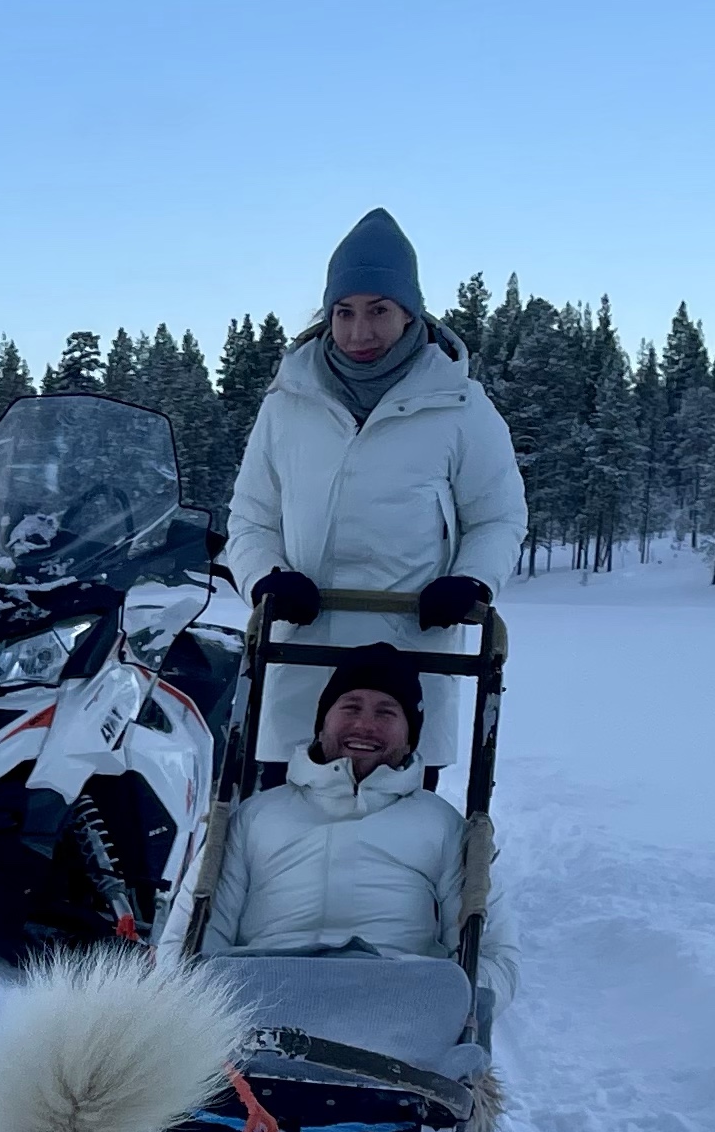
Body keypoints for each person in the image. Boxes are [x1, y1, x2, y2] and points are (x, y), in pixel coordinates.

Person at [226, 209, 525, 753]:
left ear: (410, 313)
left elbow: (497, 516)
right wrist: (265, 578)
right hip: (300, 649)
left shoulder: (460, 406)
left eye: (379, 310)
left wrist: (471, 583)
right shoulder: (287, 405)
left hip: (412, 650)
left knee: (403, 826)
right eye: (344, 312)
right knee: (280, 823)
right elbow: (251, 517)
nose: (359, 331)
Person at [202, 641, 513, 1006]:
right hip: (261, 1001)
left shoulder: (444, 826)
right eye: (350, 707)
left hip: (397, 1007)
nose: (365, 725)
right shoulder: (254, 818)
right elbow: (197, 935)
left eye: (387, 712)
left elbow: (494, 958)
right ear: (321, 726)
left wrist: (446, 1003)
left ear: (410, 738)